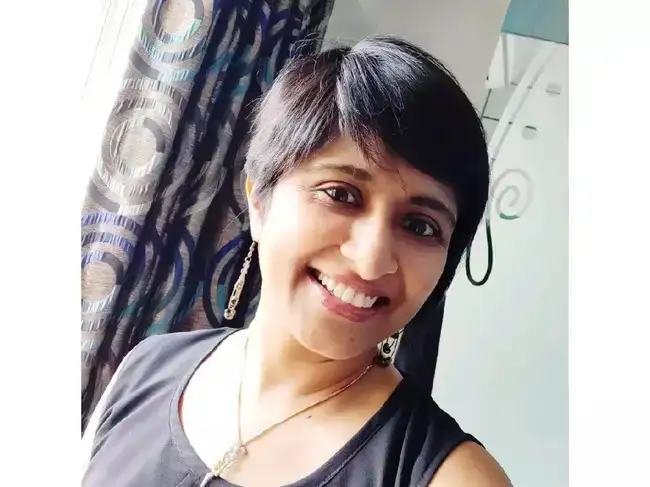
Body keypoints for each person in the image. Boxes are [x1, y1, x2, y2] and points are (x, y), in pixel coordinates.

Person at [82, 36, 512, 487]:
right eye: (341, 194)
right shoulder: (146, 368)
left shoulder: (453, 477)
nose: (370, 262)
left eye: (420, 226)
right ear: (259, 202)